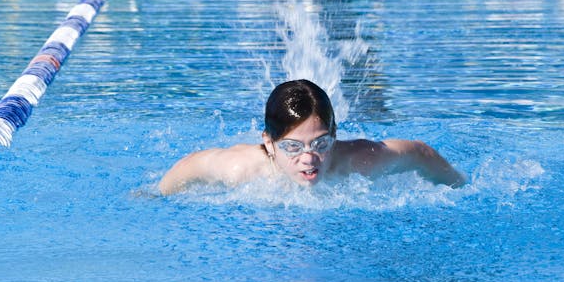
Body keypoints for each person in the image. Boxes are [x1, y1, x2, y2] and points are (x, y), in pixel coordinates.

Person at [158, 79, 465, 195]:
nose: (308, 158)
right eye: (292, 147)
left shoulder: (358, 161)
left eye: (320, 143)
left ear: (334, 135)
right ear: (268, 142)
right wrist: (157, 197)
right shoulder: (241, 169)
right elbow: (188, 167)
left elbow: (419, 152)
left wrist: (458, 186)